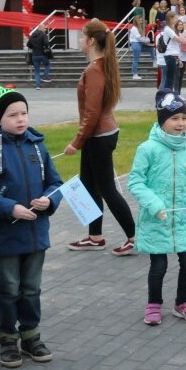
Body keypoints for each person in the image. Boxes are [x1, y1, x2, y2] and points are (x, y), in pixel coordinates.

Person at [0, 88, 63, 368]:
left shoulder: (38, 146)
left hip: (37, 234)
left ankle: (31, 335)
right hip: (7, 235)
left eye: (24, 113)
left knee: (31, 288)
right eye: (13, 115)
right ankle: (8, 338)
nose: (20, 119)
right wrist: (10, 207)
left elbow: (56, 183)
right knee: (9, 288)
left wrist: (50, 199)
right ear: (0, 119)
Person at [129, 92, 186, 326]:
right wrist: (155, 205)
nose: (180, 123)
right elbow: (135, 181)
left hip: (184, 220)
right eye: (174, 118)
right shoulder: (148, 148)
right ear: (162, 120)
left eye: (184, 118)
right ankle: (154, 303)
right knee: (159, 265)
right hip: (157, 220)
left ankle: (183, 303)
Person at [65, 19, 138, 255]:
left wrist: (76, 142)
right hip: (98, 135)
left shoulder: (95, 69)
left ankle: (134, 236)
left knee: (106, 188)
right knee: (88, 185)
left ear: (91, 41)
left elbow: (93, 112)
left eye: (81, 36)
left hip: (99, 136)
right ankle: (95, 236)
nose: (79, 40)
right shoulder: (100, 65)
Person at [27, 24, 53, 89]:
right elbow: (46, 43)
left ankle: (38, 86)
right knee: (47, 64)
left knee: (36, 71)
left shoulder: (32, 35)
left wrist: (33, 47)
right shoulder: (43, 35)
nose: (45, 29)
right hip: (42, 54)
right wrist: (46, 46)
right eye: (44, 28)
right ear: (41, 28)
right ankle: (45, 75)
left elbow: (28, 44)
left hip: (34, 55)